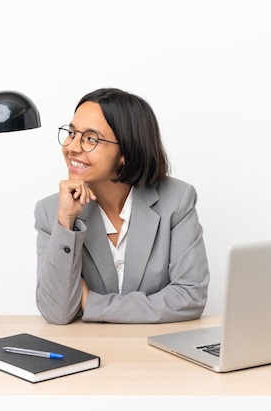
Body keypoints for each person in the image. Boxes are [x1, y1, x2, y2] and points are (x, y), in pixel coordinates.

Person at [34, 88, 209, 324]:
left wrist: (91, 304)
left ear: (126, 151)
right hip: (85, 350)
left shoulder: (176, 200)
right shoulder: (51, 211)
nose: (72, 147)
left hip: (159, 352)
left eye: (90, 139)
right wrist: (66, 224)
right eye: (72, 133)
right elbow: (56, 313)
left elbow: (190, 297)